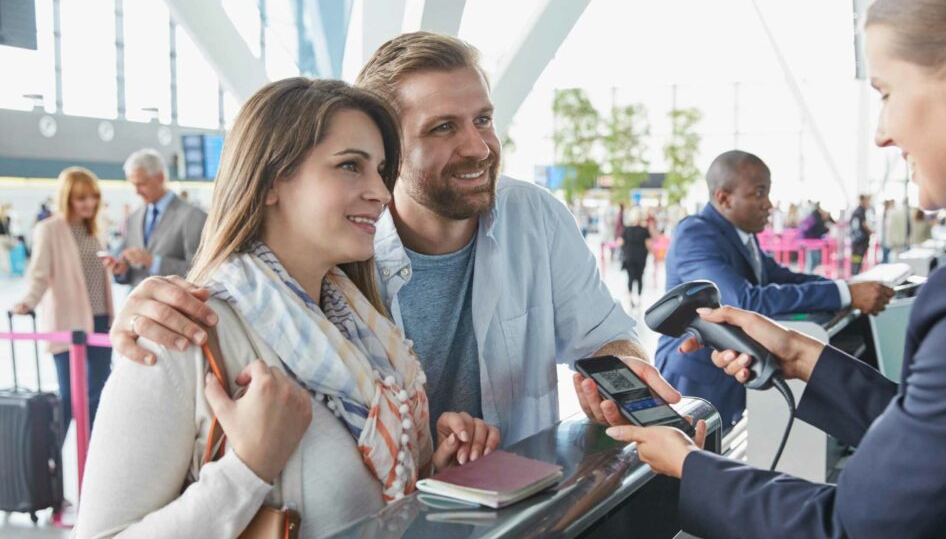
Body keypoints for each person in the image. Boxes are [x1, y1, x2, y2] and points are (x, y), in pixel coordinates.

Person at [608, 0, 946, 539]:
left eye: (885, 94)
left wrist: (689, 466)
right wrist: (801, 355)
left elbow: (856, 527)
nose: (883, 133)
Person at [71, 78, 498, 539]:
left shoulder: (364, 332)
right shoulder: (183, 331)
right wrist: (246, 470)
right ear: (272, 180)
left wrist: (433, 470)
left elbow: (360, 516)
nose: (381, 192)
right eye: (350, 166)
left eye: (380, 170)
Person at [105, 32, 661, 445]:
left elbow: (606, 337)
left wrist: (618, 378)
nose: (479, 147)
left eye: (483, 119)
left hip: (510, 527)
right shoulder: (338, 244)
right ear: (386, 148)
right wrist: (146, 309)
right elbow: (241, 287)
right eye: (444, 127)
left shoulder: (535, 217)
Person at [655, 150, 894, 428]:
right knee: (685, 461)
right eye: (759, 193)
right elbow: (742, 300)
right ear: (723, 198)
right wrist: (847, 295)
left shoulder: (741, 236)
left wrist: (847, 288)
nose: (768, 205)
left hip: (731, 369)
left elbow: (783, 278)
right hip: (694, 378)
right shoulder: (695, 234)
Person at [11, 167, 115, 431]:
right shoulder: (50, 229)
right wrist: (28, 302)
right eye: (81, 198)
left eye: (93, 197)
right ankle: (51, 457)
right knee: (68, 397)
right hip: (68, 321)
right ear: (67, 199)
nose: (89, 203)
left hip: (101, 318)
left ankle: (93, 458)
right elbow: (40, 274)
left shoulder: (94, 230)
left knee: (99, 395)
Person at [102, 149, 207, 287]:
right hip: (138, 305)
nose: (136, 191)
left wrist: (153, 262)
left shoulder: (193, 216)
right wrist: (122, 270)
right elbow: (132, 272)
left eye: (141, 184)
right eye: (133, 185)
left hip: (174, 304)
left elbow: (201, 271)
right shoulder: (132, 219)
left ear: (160, 178)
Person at [618, 207, 652, 308]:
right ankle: (639, 299)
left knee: (630, 278)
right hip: (641, 258)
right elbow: (648, 245)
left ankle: (630, 299)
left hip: (629, 257)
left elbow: (620, 242)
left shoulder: (626, 229)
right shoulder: (644, 230)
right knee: (640, 277)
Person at [849, 193, 874, 274]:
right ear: (862, 200)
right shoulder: (859, 211)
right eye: (867, 200)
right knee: (857, 260)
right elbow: (864, 224)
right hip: (859, 242)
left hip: (858, 242)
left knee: (857, 259)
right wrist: (870, 232)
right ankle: (855, 275)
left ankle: (855, 273)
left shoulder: (859, 211)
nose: (868, 202)